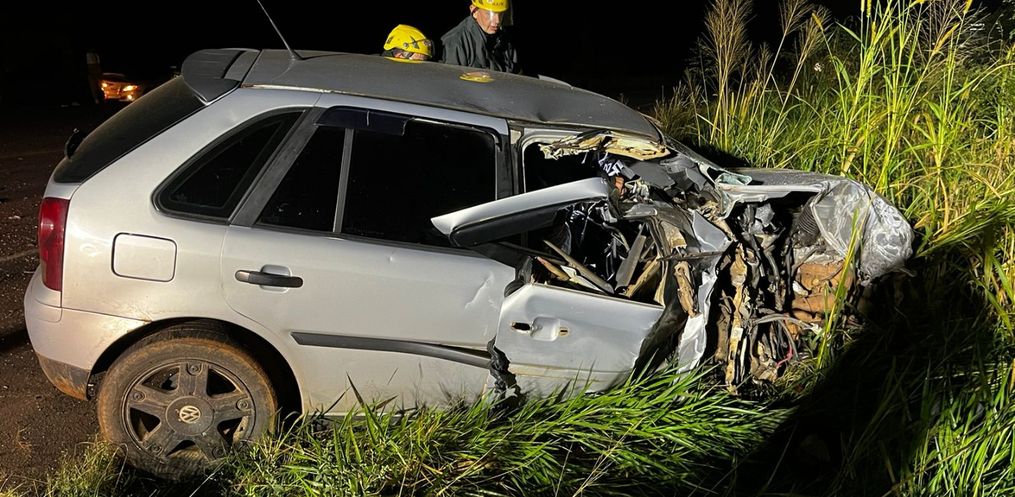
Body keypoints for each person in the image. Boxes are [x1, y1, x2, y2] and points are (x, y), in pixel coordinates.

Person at [439, 0, 520, 74]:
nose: (497, 21)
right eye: (489, 14)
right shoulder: (456, 42)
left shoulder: (504, 40)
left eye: (500, 13)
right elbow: (451, 82)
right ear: (474, 11)